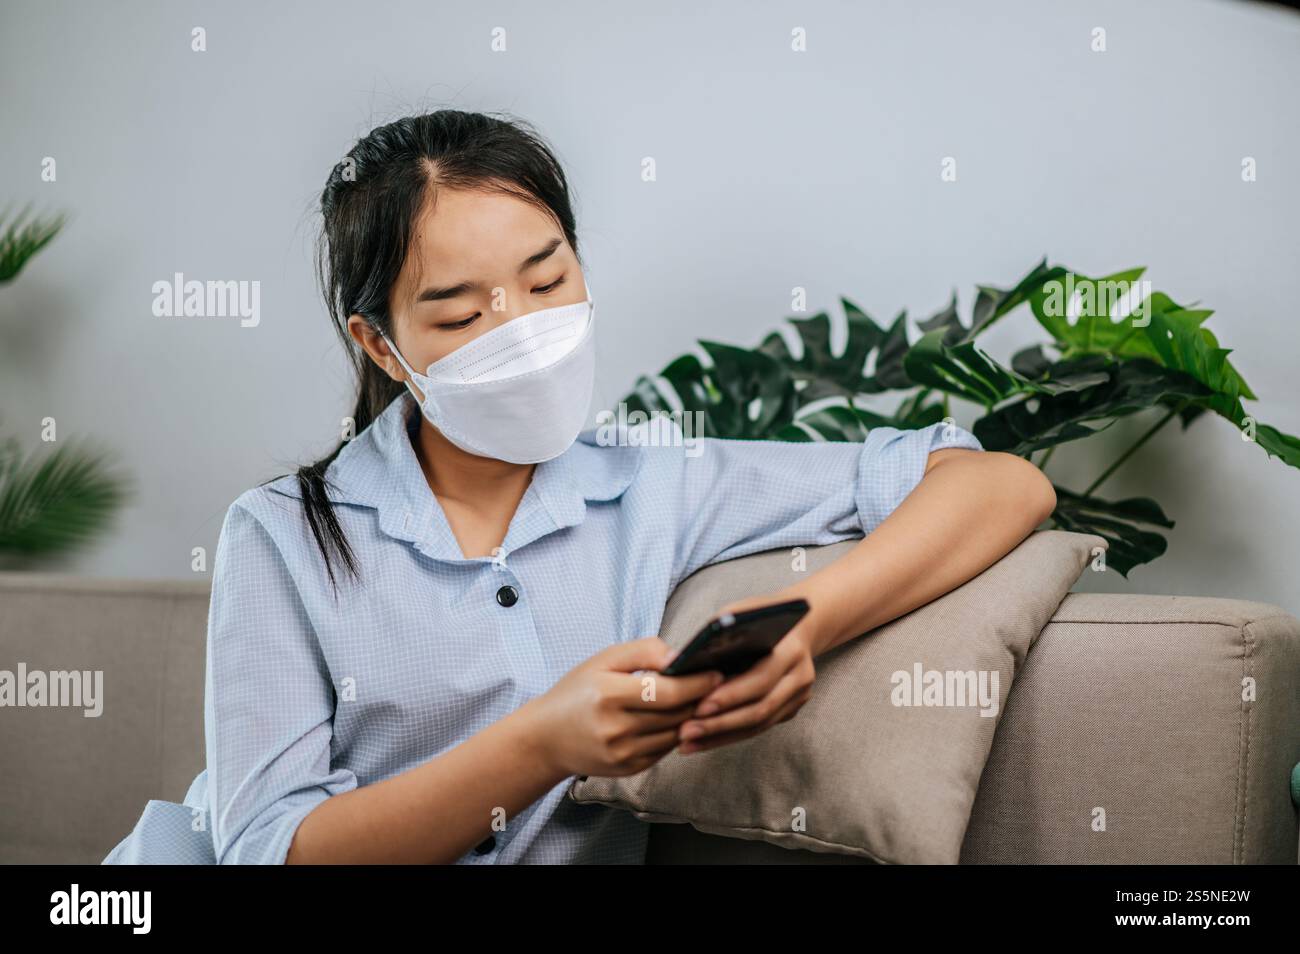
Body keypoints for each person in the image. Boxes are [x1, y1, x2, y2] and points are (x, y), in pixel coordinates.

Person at [103, 109, 1055, 865]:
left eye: (547, 280)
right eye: (461, 312)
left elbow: (998, 486)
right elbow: (270, 854)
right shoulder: (281, 537)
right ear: (380, 346)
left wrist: (804, 616)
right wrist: (542, 746)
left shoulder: (659, 484)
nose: (518, 330)